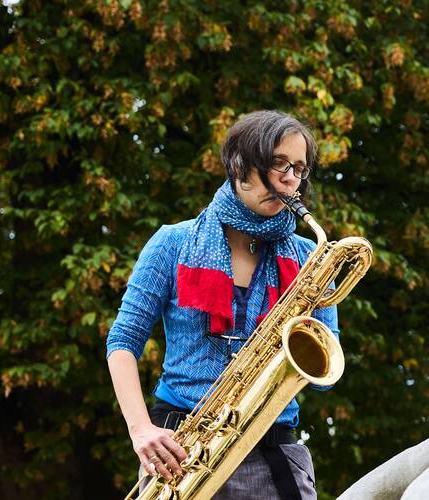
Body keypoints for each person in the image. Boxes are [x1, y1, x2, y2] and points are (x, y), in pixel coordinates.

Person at [106, 110, 336, 499]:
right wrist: (140, 429)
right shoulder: (171, 243)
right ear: (240, 164)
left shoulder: (310, 257)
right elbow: (123, 340)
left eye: (299, 168)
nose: (290, 179)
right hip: (181, 452)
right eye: (278, 163)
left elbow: (324, 367)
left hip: (274, 448)